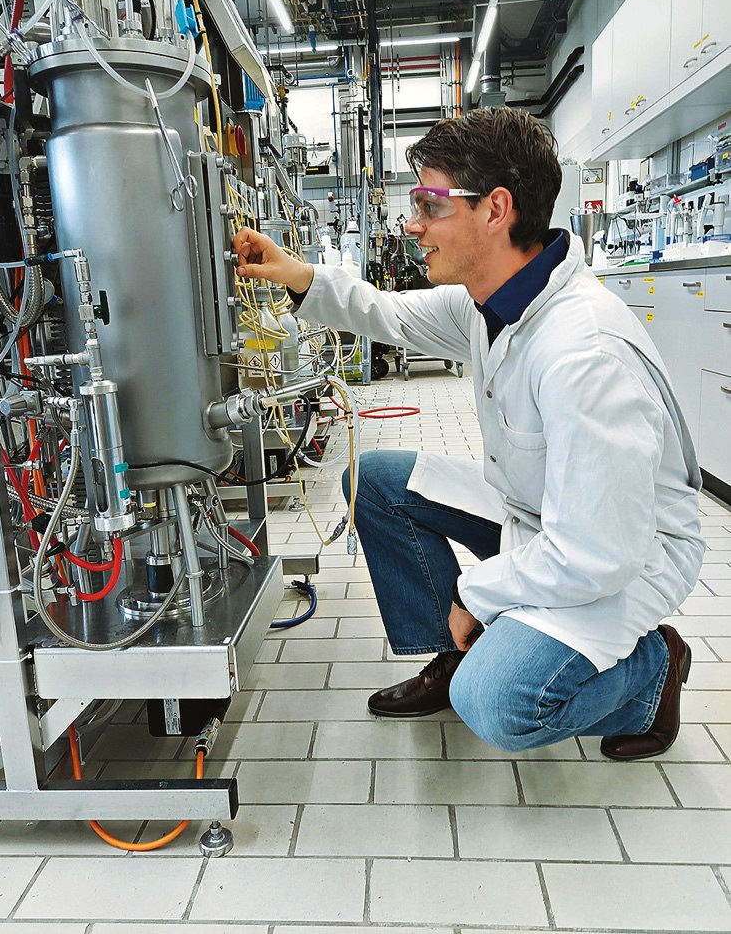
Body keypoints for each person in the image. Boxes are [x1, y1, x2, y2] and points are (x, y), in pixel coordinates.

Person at [233, 107, 705, 760]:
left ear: (495, 209)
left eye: (429, 202)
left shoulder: (582, 353)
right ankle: (452, 654)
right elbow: (389, 314)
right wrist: (293, 274)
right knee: (374, 480)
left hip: (620, 553)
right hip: (538, 514)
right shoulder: (490, 301)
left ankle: (651, 670)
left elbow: (597, 551)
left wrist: (474, 591)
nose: (413, 223)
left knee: (496, 703)